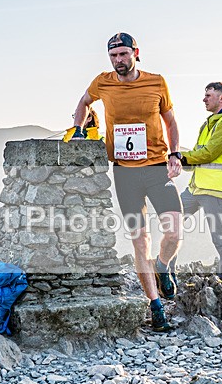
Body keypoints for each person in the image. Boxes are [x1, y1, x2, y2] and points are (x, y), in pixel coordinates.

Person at [72, 32, 182, 332]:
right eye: (113, 56)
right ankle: (154, 305)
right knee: (140, 240)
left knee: (174, 231)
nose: (118, 61)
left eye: (123, 54)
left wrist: (174, 154)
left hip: (158, 167)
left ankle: (162, 266)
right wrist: (78, 129)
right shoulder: (102, 82)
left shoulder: (157, 82)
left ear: (135, 52)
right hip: (124, 173)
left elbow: (170, 120)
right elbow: (83, 103)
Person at [179, 82, 222, 282]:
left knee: (220, 238)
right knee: (171, 220)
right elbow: (197, 158)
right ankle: (164, 272)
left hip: (215, 190)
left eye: (208, 95)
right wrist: (175, 161)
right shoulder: (207, 124)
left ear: (221, 98)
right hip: (195, 189)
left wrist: (180, 157)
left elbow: (208, 153)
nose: (204, 99)